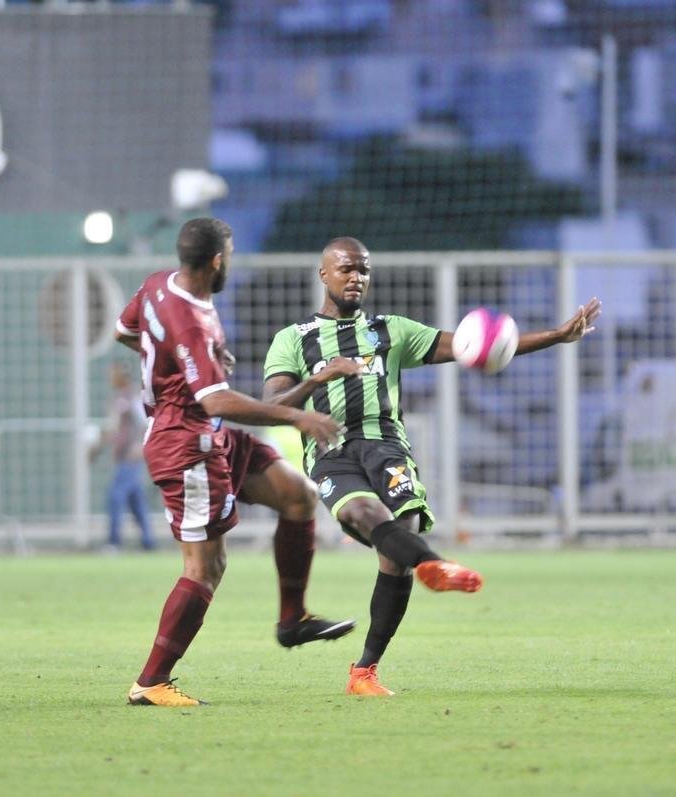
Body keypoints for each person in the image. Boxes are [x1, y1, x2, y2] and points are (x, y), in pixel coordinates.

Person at [262, 236, 601, 696]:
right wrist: (320, 378)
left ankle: (364, 671)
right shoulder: (294, 339)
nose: (356, 277)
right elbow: (273, 403)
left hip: (386, 446)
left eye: (363, 269)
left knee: (405, 531)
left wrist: (557, 337)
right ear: (324, 274)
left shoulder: (391, 331)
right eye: (345, 269)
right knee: (365, 516)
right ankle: (437, 566)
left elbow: (468, 345)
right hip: (331, 449)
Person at [114, 217, 353, 708]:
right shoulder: (194, 321)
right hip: (187, 443)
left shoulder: (158, 284)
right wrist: (295, 416)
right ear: (219, 260)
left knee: (298, 495)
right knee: (206, 567)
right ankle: (150, 682)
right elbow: (217, 401)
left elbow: (124, 331)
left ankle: (293, 621)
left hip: (210, 434)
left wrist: (177, 360)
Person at [95, 362, 155, 551]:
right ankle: (148, 542)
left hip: (130, 456)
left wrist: (139, 445)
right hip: (122, 455)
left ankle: (114, 541)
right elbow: (114, 429)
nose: (110, 378)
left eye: (113, 374)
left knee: (115, 495)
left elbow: (144, 423)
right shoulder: (119, 398)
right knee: (136, 500)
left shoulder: (132, 397)